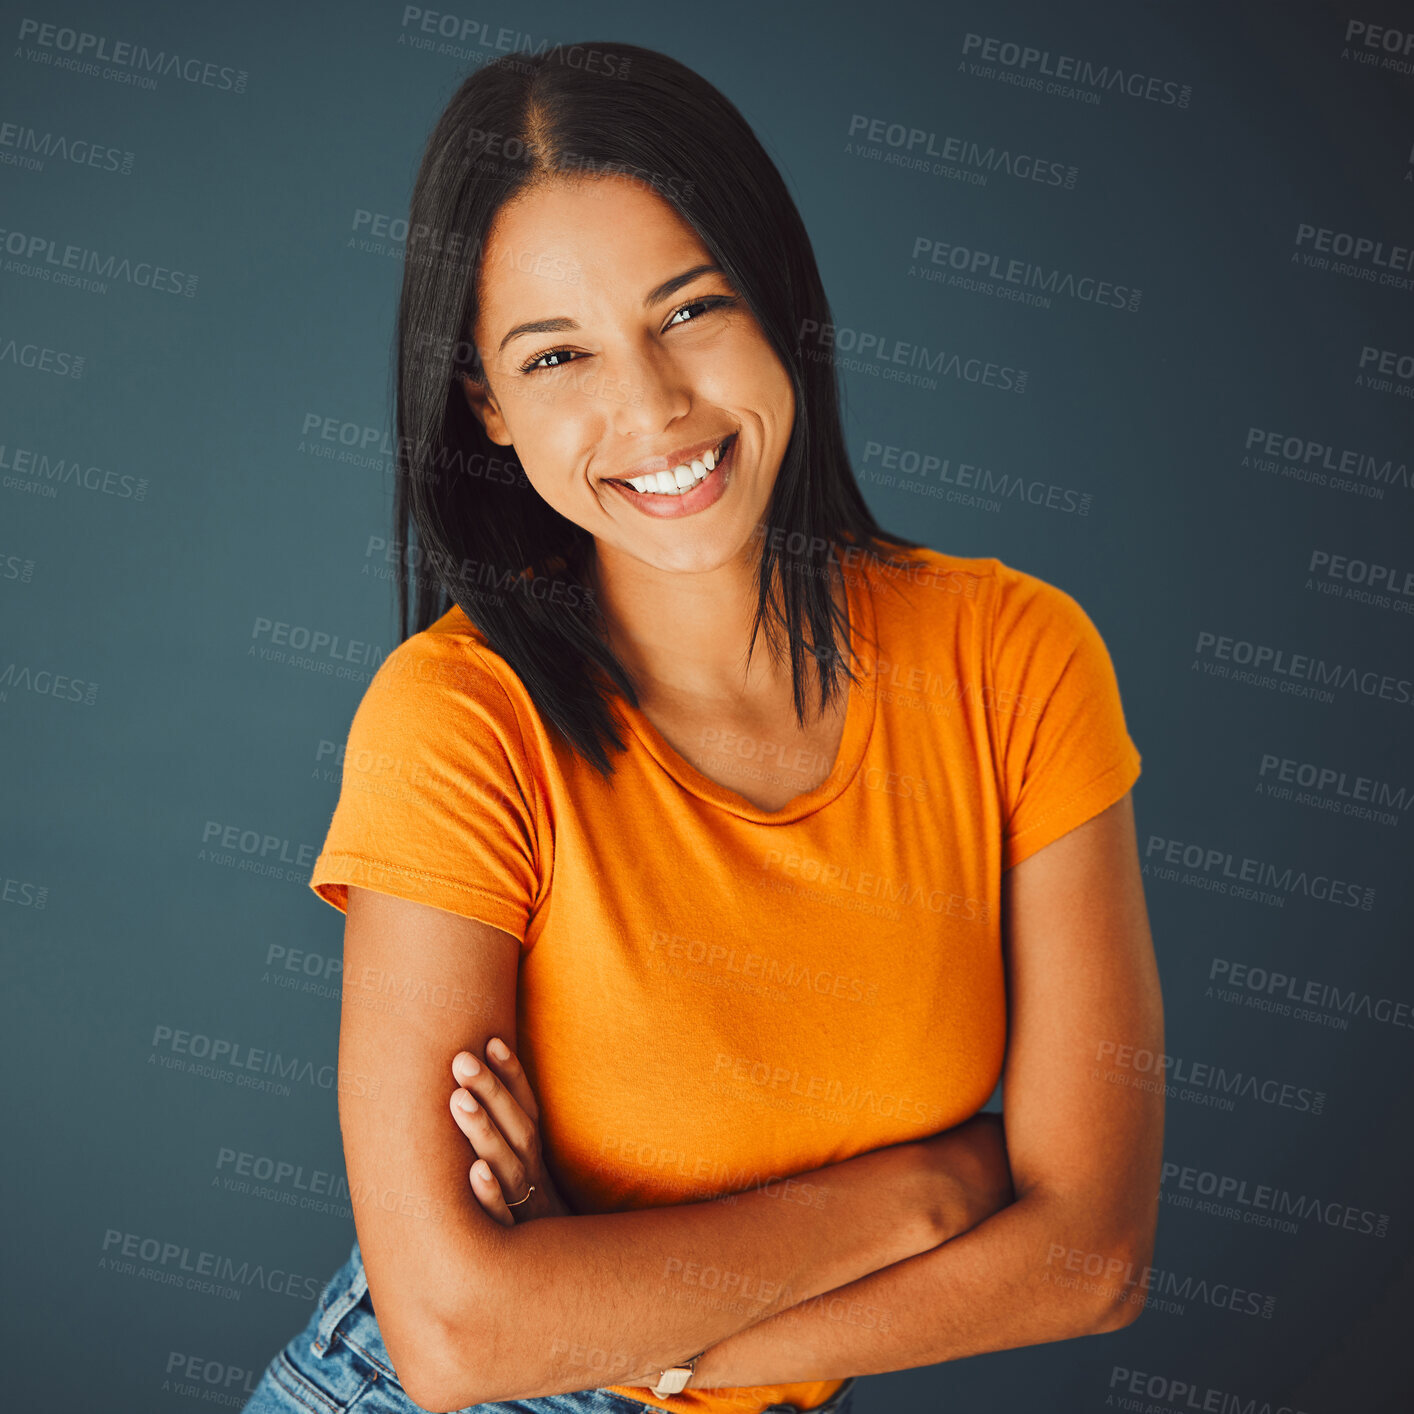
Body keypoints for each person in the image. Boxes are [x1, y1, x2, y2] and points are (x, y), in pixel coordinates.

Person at [241, 39, 1164, 1414]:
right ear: (485, 405)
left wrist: (656, 1341)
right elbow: (453, 1340)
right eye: (555, 355)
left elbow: (1088, 1255)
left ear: (779, 300)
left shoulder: (1013, 659)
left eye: (689, 311)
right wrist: (926, 1190)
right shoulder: (457, 719)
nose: (653, 408)